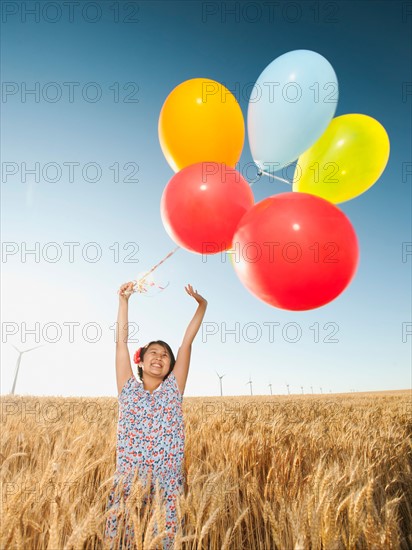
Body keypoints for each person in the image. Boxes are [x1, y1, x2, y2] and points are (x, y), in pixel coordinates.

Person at [104, 281, 207, 549]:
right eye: (153, 352)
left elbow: (186, 343)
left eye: (165, 355)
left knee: (166, 542)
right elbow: (120, 343)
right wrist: (124, 302)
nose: (159, 357)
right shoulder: (127, 387)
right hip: (129, 481)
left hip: (167, 483)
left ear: (171, 366)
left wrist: (202, 305)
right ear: (141, 360)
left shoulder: (174, 389)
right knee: (121, 542)